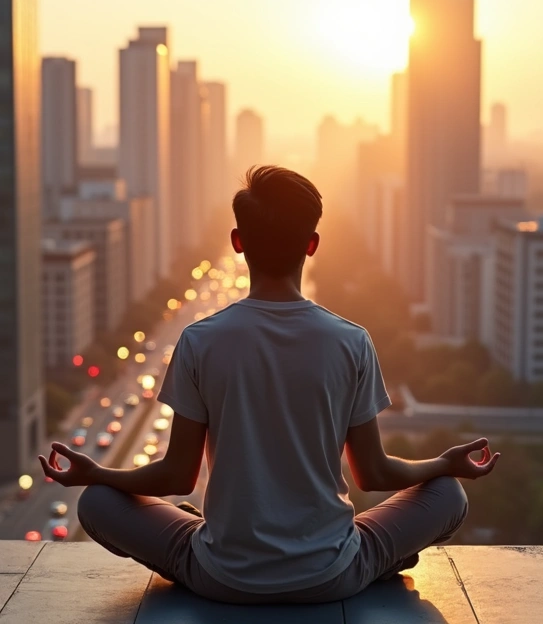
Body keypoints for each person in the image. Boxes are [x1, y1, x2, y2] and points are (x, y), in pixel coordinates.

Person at [39, 166, 501, 604]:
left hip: (220, 577)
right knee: (448, 494)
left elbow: (176, 476)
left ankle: (206, 541)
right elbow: (374, 475)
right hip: (332, 576)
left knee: (97, 503)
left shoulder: (201, 340)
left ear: (238, 242)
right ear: (312, 245)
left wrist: (95, 474)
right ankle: (374, 562)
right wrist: (442, 463)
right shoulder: (350, 342)